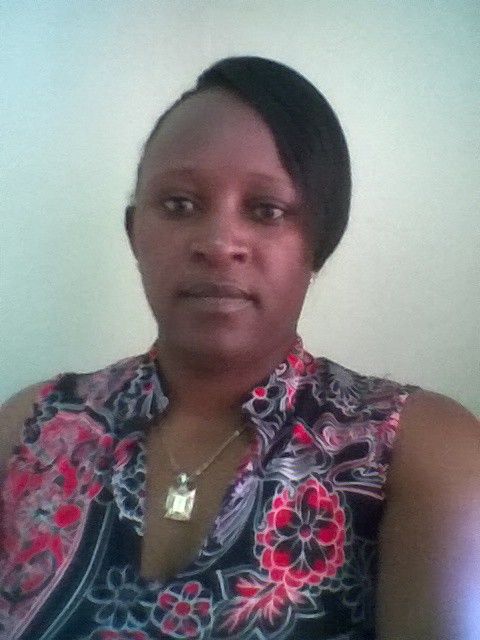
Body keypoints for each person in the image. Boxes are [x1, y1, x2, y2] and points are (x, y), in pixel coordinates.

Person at [0, 56, 478, 640]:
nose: (219, 242)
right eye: (179, 204)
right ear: (133, 232)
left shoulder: (420, 451)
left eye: (267, 210)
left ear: (319, 245)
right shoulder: (29, 430)